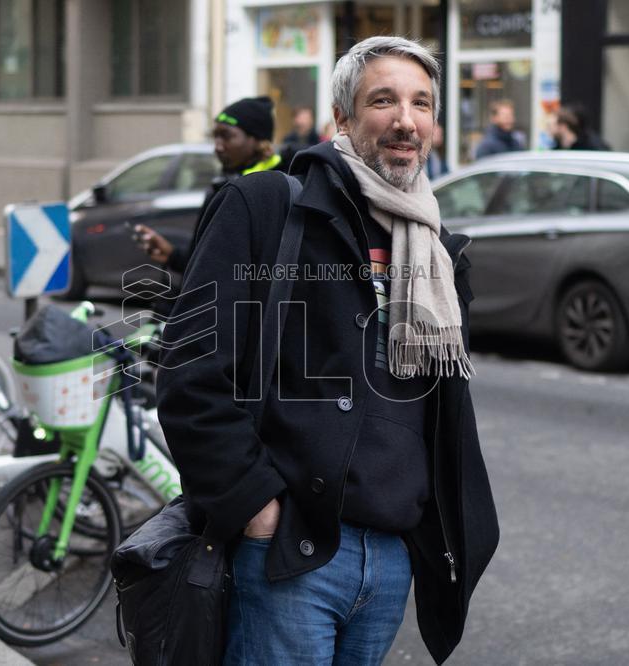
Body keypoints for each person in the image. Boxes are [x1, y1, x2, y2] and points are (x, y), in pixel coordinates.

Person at [155, 35, 499, 665]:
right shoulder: (265, 208)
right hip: (290, 551)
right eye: (384, 100)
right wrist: (257, 509)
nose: (406, 119)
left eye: (422, 103)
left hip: (392, 559)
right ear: (341, 118)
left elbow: (439, 411)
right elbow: (188, 372)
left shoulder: (439, 250)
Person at [134, 96, 282, 273]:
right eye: (216, 137)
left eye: (227, 136)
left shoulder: (278, 187)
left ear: (257, 140)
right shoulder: (223, 185)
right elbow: (206, 261)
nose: (218, 147)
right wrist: (171, 255)